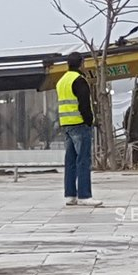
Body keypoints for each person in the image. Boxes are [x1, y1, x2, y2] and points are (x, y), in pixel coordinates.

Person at [56, 52, 102, 207]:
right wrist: (89, 121)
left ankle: (70, 195)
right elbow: (84, 104)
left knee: (70, 161)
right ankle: (84, 195)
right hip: (79, 124)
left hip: (66, 124)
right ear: (81, 63)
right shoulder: (79, 80)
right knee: (83, 160)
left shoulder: (61, 81)